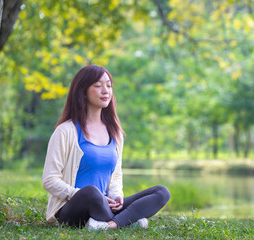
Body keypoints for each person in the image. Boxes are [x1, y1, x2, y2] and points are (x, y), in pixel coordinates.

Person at [42, 65, 170, 230]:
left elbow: (116, 175)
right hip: (72, 208)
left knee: (161, 192)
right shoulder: (66, 131)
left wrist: (116, 196)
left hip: (104, 206)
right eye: (97, 86)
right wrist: (77, 193)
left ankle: (110, 224)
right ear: (83, 91)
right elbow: (49, 180)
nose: (105, 91)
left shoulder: (115, 133)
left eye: (108, 85)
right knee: (92, 192)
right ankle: (128, 221)